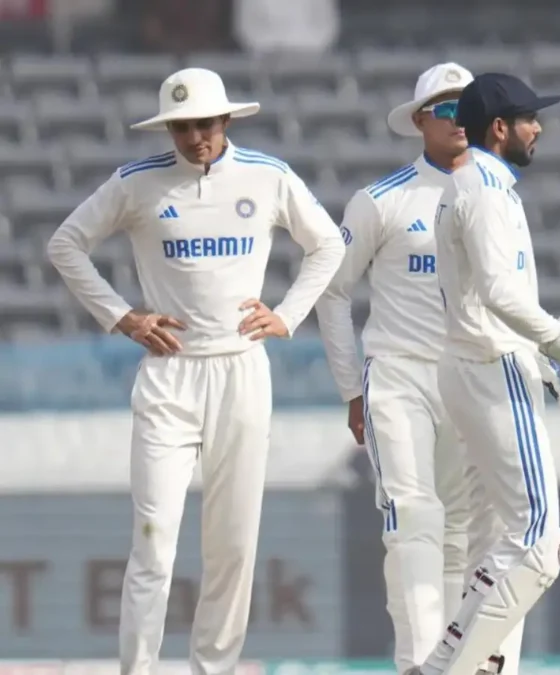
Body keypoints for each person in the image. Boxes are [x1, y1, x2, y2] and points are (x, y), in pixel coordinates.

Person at [45, 67, 345, 674]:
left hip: (241, 371)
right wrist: (122, 317)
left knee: (232, 546)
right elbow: (65, 244)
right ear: (168, 129)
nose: (195, 137)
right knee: (153, 542)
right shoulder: (137, 182)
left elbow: (329, 245)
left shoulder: (268, 175)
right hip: (169, 374)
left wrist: (287, 314)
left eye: (205, 124)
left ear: (226, 120)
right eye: (182, 127)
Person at [412, 73, 560, 675]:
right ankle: (452, 669)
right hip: (490, 366)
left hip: (482, 363)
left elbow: (497, 296)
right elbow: (499, 293)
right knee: (537, 542)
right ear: (500, 127)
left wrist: (555, 369)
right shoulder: (482, 189)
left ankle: (450, 664)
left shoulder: (481, 185)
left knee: (503, 539)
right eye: (530, 119)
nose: (538, 129)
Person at [313, 62, 479, 674]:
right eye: (446, 108)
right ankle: (417, 663)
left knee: (458, 532)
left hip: (468, 376)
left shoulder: (496, 195)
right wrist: (351, 388)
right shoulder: (381, 199)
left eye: (467, 107)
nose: (459, 119)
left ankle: (453, 662)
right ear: (419, 121)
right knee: (413, 517)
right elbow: (332, 292)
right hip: (399, 376)